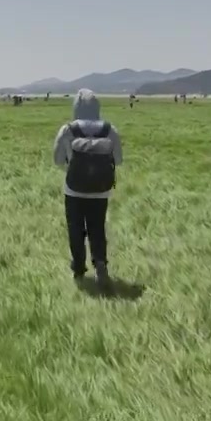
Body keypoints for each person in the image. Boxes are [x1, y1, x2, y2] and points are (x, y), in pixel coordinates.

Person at [53, 89, 124, 288]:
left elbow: (57, 159)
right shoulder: (110, 130)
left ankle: (78, 268)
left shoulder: (67, 129)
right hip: (101, 189)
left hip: (73, 189)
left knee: (76, 229)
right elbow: (118, 160)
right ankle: (100, 264)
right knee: (97, 228)